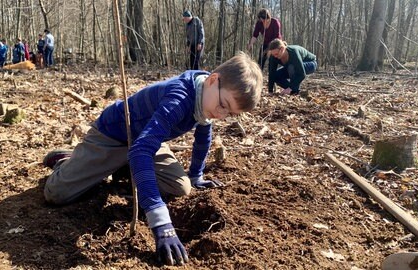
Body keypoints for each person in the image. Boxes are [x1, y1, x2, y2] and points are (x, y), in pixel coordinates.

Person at [42, 52, 262, 266]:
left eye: (230, 114)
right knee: (57, 193)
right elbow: (140, 151)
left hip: (148, 138)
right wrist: (161, 223)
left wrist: (196, 175)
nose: (223, 114)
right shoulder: (180, 98)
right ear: (213, 80)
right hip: (112, 136)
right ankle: (66, 160)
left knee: (181, 187)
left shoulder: (208, 97)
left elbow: (203, 136)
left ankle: (124, 167)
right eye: (224, 106)